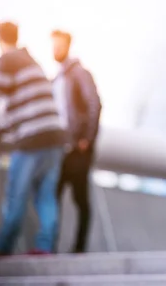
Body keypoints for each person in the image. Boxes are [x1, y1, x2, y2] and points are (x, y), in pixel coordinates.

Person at [0, 21, 65, 255]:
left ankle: (4, 246)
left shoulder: (7, 61)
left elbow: (0, 102)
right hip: (55, 137)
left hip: (32, 138)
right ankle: (45, 246)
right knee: (46, 196)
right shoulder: (32, 61)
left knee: (16, 195)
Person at [52, 30, 102, 253]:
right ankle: (49, 246)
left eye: (58, 45)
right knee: (53, 196)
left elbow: (94, 103)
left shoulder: (78, 73)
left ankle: (79, 248)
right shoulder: (57, 78)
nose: (55, 49)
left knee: (80, 199)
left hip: (78, 148)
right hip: (60, 149)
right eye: (53, 45)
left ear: (67, 46)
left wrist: (86, 139)